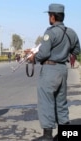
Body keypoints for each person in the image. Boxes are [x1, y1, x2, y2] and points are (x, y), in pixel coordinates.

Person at [28, 3, 80, 141]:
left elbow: (43, 53)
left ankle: (47, 136)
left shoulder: (50, 32)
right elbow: (76, 50)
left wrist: (33, 58)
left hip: (50, 70)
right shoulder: (71, 32)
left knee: (46, 102)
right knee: (61, 102)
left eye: (49, 15)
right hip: (63, 70)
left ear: (52, 16)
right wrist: (64, 54)